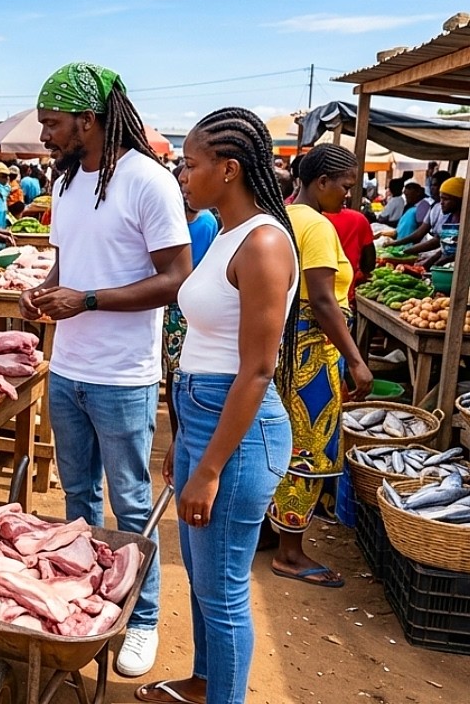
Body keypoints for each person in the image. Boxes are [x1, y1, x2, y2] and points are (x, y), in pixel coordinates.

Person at [19, 62, 191, 677]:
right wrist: (43, 290)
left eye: (53, 124)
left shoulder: (149, 181)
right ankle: (83, 600)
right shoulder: (66, 184)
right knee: (78, 497)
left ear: (89, 120)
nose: (45, 135)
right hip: (67, 368)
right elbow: (69, 267)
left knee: (130, 501)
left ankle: (141, 618)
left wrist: (86, 301)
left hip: (124, 374)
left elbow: (175, 279)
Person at [135, 108, 299, 704]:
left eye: (192, 162)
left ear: (229, 169)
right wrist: (185, 438)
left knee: (225, 592)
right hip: (205, 416)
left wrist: (208, 467)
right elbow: (210, 346)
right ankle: (205, 683)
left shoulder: (261, 244)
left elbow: (257, 370)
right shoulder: (225, 230)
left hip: (237, 431)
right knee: (206, 582)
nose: (181, 171)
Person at [268, 143, 372, 587]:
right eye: (346, 186)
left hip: (281, 350)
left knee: (277, 442)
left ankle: (270, 534)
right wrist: (356, 359)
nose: (349, 195)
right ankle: (290, 553)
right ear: (322, 182)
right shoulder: (317, 226)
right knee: (308, 449)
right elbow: (325, 300)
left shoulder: (281, 214)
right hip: (311, 355)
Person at [163, 164, 219, 381]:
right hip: (169, 300)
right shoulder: (171, 218)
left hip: (185, 304)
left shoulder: (207, 221)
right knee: (175, 369)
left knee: (179, 370)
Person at [322, 204, 375, 303]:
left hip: (310, 298)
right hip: (345, 297)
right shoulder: (359, 219)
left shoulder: (308, 219)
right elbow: (369, 263)